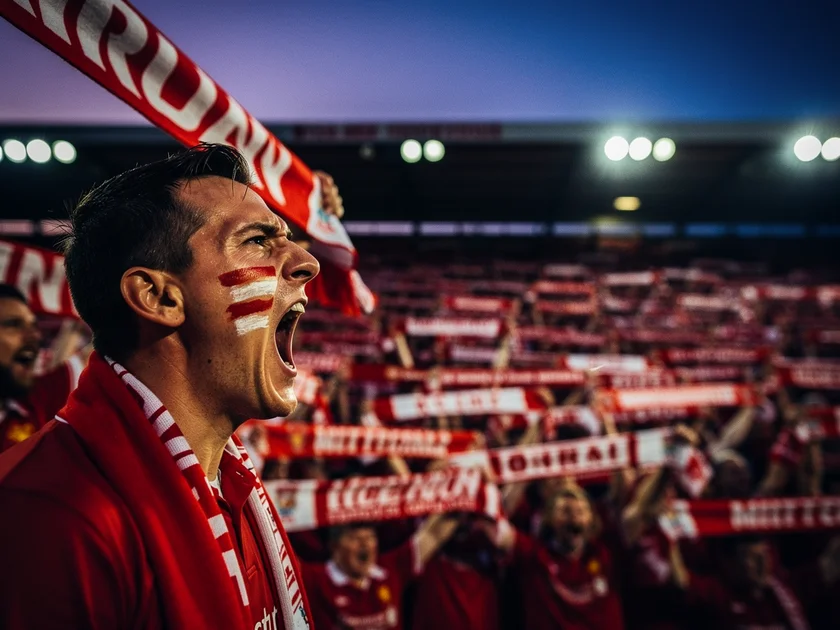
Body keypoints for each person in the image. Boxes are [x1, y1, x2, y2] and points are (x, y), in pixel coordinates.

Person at [0, 144, 338, 630]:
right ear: (158, 297)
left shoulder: (231, 483)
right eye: (258, 241)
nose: (308, 261)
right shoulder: (46, 518)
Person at [487, 480, 625, 630]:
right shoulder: (534, 555)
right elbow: (497, 531)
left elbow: (628, 504)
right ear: (548, 518)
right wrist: (485, 488)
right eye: (565, 511)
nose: (574, 517)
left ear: (592, 517)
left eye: (580, 511)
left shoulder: (606, 554)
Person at [302, 514, 459, 630]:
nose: (364, 544)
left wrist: (460, 496)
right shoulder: (313, 579)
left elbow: (433, 535)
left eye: (370, 537)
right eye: (355, 538)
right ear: (334, 546)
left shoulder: (390, 568)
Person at [0, 284, 88, 451]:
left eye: (33, 326)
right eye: (14, 324)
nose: (35, 336)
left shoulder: (34, 404)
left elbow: (100, 351)